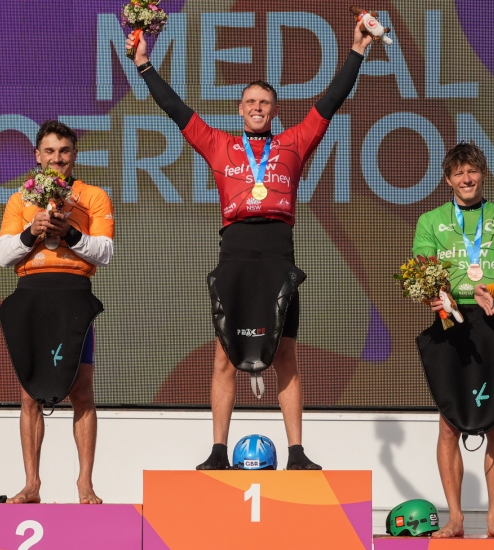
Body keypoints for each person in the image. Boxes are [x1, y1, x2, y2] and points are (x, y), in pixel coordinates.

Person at [126, 21, 373, 470]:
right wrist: (143, 64)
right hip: (236, 249)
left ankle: (297, 453)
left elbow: (332, 101)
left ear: (274, 111)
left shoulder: (294, 142)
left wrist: (357, 49)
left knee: (286, 353)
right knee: (224, 354)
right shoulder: (218, 144)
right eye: (251, 102)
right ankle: (218, 452)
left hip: (279, 250)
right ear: (240, 110)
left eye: (265, 102)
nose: (258, 107)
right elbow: (175, 108)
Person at [411, 142, 494, 537]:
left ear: (483, 175)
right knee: (449, 423)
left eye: (473, 171)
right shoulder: (430, 220)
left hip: (491, 320)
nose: (467, 179)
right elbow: (420, 274)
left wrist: (493, 292)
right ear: (448, 180)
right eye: (459, 173)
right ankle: (457, 518)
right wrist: (435, 297)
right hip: (449, 320)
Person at [0, 120, 115, 503]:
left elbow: (106, 253)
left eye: (64, 152)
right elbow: (1, 256)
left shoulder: (92, 196)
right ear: (37, 156)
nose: (56, 159)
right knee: (29, 395)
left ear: (74, 156)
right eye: (49, 151)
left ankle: (85, 483)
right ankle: (32, 484)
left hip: (73, 295)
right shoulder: (20, 198)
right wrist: (32, 231)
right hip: (31, 293)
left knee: (81, 391)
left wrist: (70, 234)